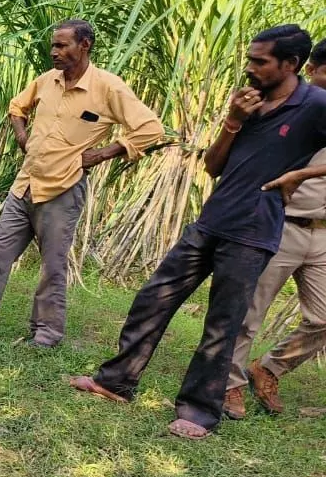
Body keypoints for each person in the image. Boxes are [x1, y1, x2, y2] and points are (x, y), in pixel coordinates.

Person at [72, 25, 326, 440]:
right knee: (153, 299)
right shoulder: (249, 101)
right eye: (249, 58)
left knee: (222, 325)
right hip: (212, 220)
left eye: (260, 61)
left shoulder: (315, 104)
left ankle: (199, 412)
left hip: (253, 232)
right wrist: (232, 121)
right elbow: (212, 166)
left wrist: (303, 172)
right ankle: (115, 381)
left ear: (291, 64)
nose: (250, 67)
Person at [0, 19, 163, 346]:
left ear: (84, 45)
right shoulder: (47, 81)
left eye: (62, 45)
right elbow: (17, 106)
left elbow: (150, 128)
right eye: (53, 45)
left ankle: (46, 333)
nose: (54, 52)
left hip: (63, 190)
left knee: (52, 267)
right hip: (25, 184)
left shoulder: (108, 87)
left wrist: (102, 153)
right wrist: (21, 135)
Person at [224, 39, 326, 417]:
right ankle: (228, 384)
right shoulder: (291, 110)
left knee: (323, 317)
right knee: (249, 313)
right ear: (311, 69)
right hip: (280, 225)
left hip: (322, 232)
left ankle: (269, 368)